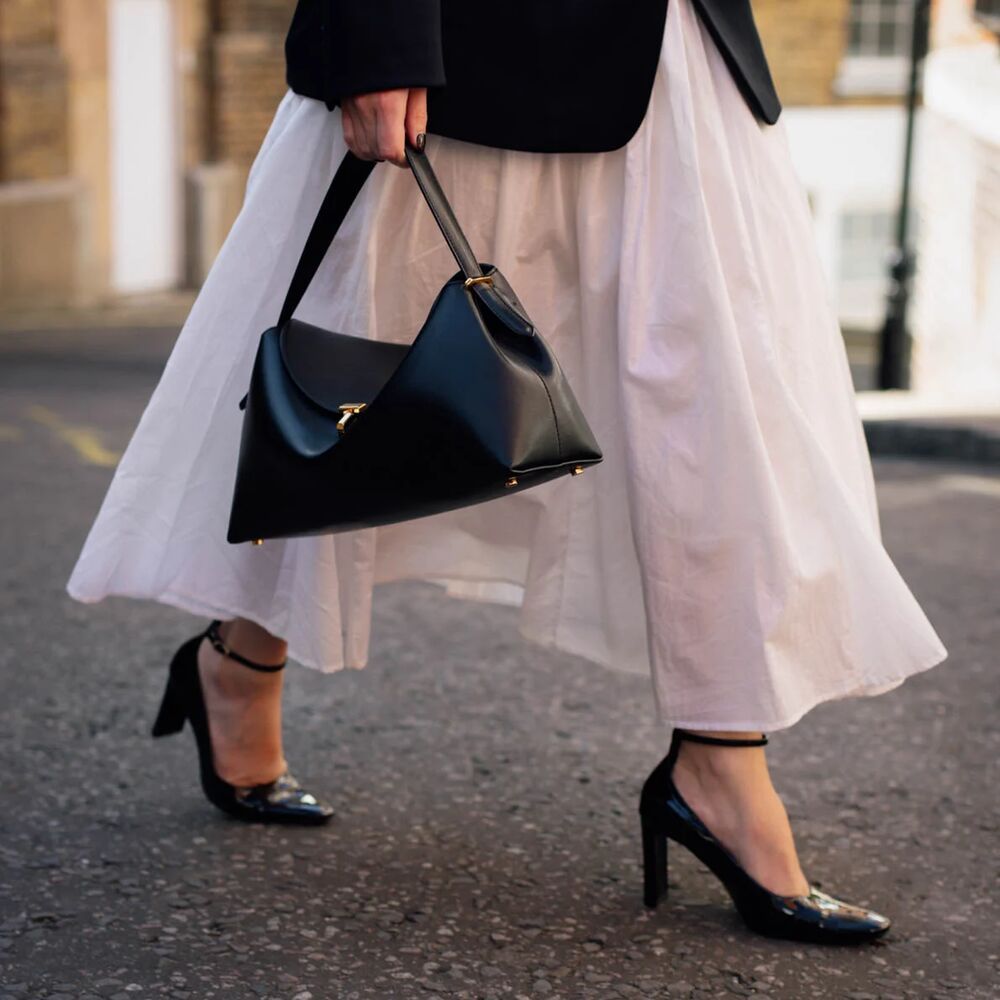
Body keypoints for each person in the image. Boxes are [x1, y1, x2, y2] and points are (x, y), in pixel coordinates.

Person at [66, 0, 949, 944]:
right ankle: (240, 661)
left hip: (673, 55)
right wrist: (377, 36)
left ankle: (721, 761)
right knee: (354, 381)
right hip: (462, 44)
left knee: (719, 416)